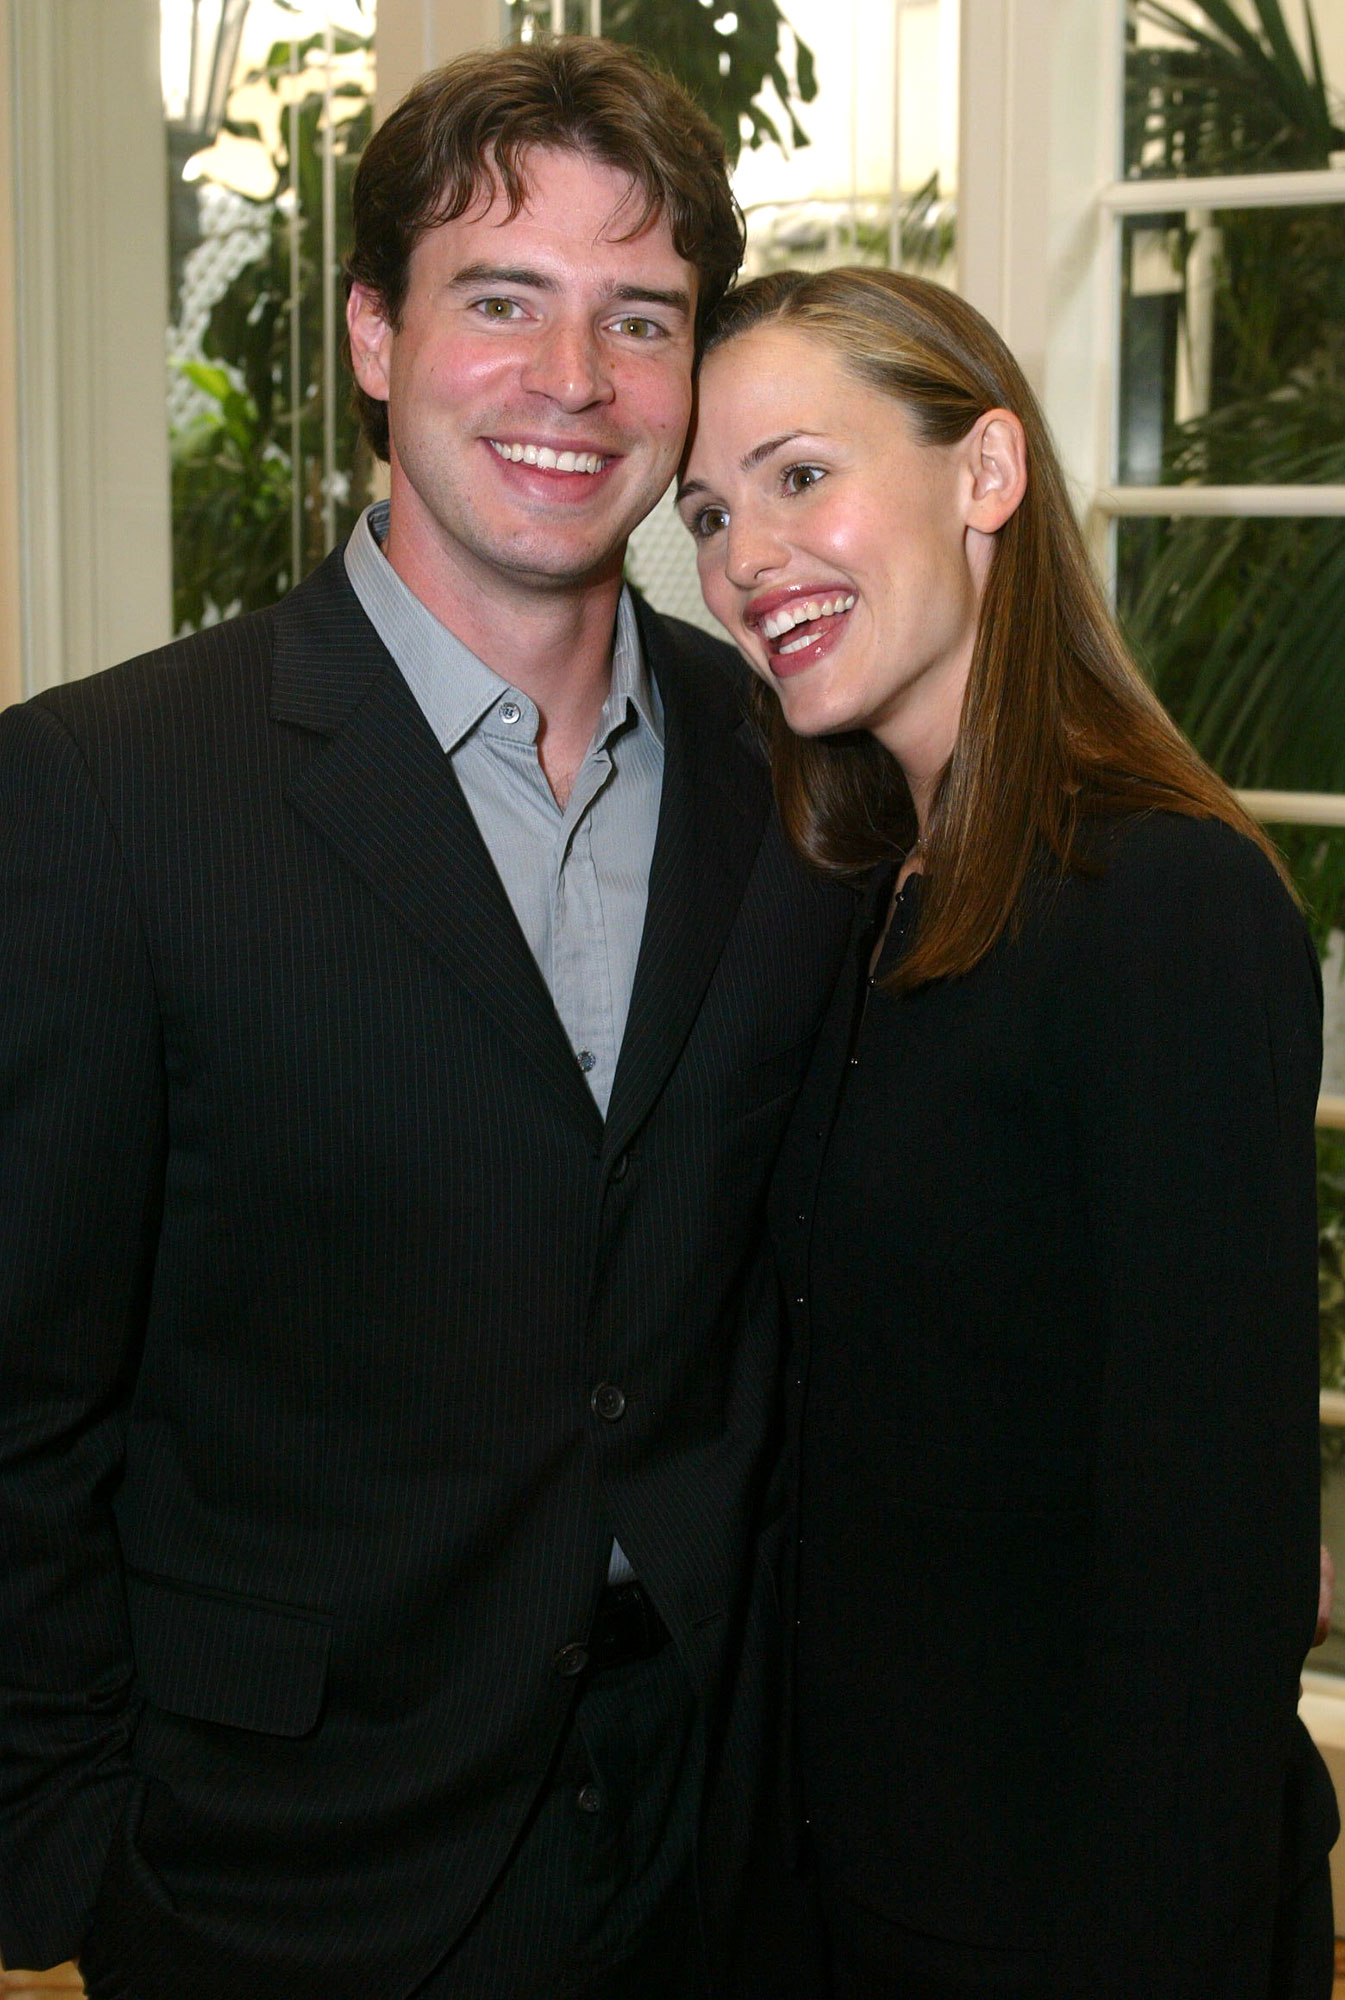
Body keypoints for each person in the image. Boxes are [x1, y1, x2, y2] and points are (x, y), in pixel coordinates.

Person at [0, 45, 854, 2000]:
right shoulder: (101, 797)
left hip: (716, 1848)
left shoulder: (793, 775)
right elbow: (21, 1401)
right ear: (375, 336)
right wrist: (73, 1857)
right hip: (282, 1873)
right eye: (502, 300)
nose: (573, 380)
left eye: (638, 318)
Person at [678, 265, 1340, 1997]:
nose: (746, 558)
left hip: (1073, 1922)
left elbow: (1209, 1553)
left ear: (984, 472)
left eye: (799, 474)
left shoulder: (1161, 900)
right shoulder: (849, 897)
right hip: (849, 1881)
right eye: (708, 511)